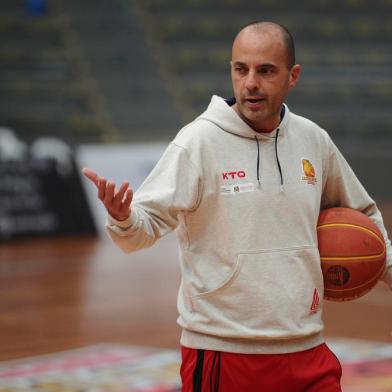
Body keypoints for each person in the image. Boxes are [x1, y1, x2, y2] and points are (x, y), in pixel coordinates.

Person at [83, 21, 392, 392]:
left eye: (265, 70)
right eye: (240, 69)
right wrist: (123, 217)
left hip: (308, 350)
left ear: (292, 76)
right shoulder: (198, 142)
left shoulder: (314, 140)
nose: (250, 83)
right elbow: (139, 231)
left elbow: (365, 217)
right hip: (224, 355)